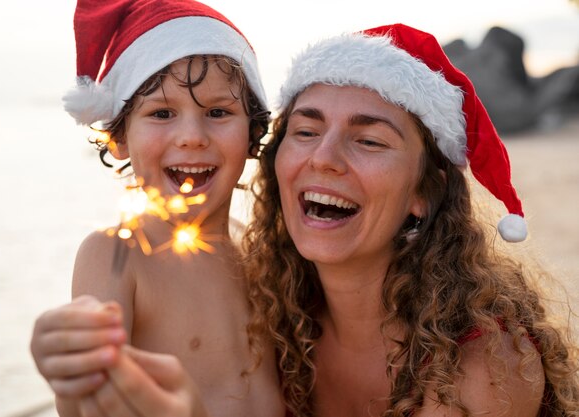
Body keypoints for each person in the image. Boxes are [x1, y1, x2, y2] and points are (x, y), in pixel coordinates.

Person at [242, 24, 579, 416]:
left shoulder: (483, 364)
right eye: (305, 131)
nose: (322, 157)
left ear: (423, 193)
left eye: (369, 140)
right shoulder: (265, 318)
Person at [29, 1, 283, 416]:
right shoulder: (115, 255)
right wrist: (71, 362)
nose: (191, 137)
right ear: (120, 138)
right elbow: (85, 402)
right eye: (162, 113)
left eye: (218, 112)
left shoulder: (252, 248)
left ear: (253, 132)